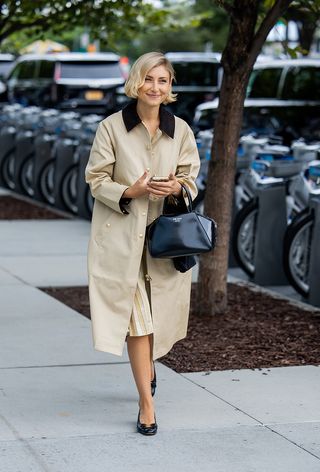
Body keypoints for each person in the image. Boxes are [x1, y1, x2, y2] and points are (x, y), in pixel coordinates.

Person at [85, 52, 200, 436]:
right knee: (138, 323)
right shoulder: (111, 127)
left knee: (157, 318)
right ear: (136, 81)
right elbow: (96, 179)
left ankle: (148, 371)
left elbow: (190, 176)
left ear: (170, 87)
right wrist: (129, 190)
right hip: (121, 240)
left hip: (164, 242)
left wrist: (176, 187)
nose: (155, 87)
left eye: (163, 81)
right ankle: (146, 404)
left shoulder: (180, 129)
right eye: (149, 79)